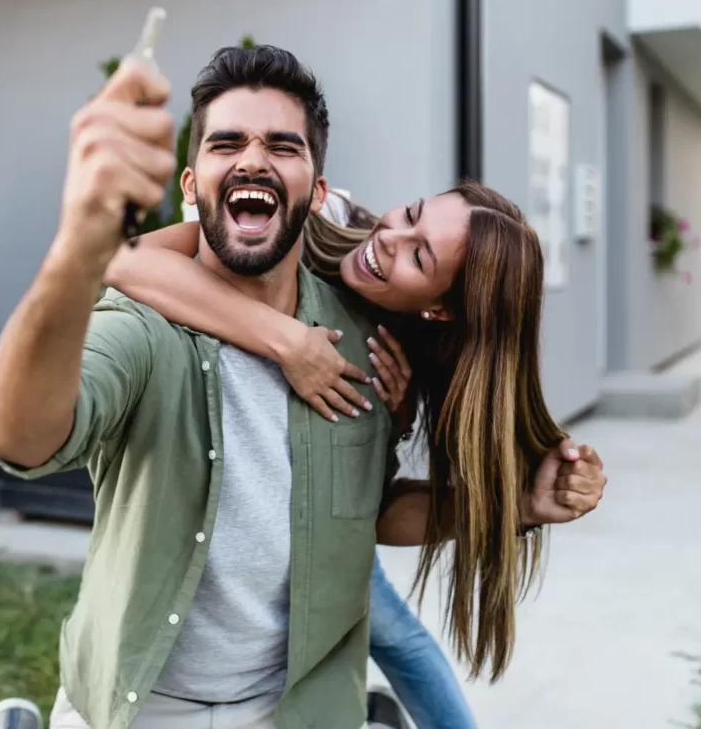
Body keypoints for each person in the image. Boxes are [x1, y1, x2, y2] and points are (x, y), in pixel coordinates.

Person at [106, 181, 606, 727]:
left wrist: (520, 506)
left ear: (439, 310)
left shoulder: (403, 356)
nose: (390, 237)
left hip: (311, 534)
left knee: (397, 638)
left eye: (419, 255)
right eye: (411, 213)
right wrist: (289, 343)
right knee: (396, 636)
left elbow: (372, 514)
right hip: (216, 543)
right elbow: (123, 261)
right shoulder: (315, 218)